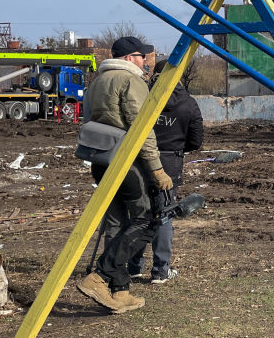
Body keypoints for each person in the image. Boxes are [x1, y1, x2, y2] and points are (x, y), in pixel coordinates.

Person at [76, 36, 174, 313]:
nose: (145, 62)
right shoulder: (131, 81)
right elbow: (141, 127)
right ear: (129, 58)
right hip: (126, 162)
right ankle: (102, 276)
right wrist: (156, 168)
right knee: (148, 220)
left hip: (100, 159)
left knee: (117, 223)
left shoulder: (96, 82)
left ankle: (119, 292)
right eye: (142, 57)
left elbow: (87, 123)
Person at [127, 59, 204, 284]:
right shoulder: (188, 103)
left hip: (139, 161)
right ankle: (160, 270)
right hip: (170, 165)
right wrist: (175, 149)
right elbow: (196, 140)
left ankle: (133, 266)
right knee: (164, 215)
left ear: (156, 75)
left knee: (139, 214)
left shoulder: (143, 97)